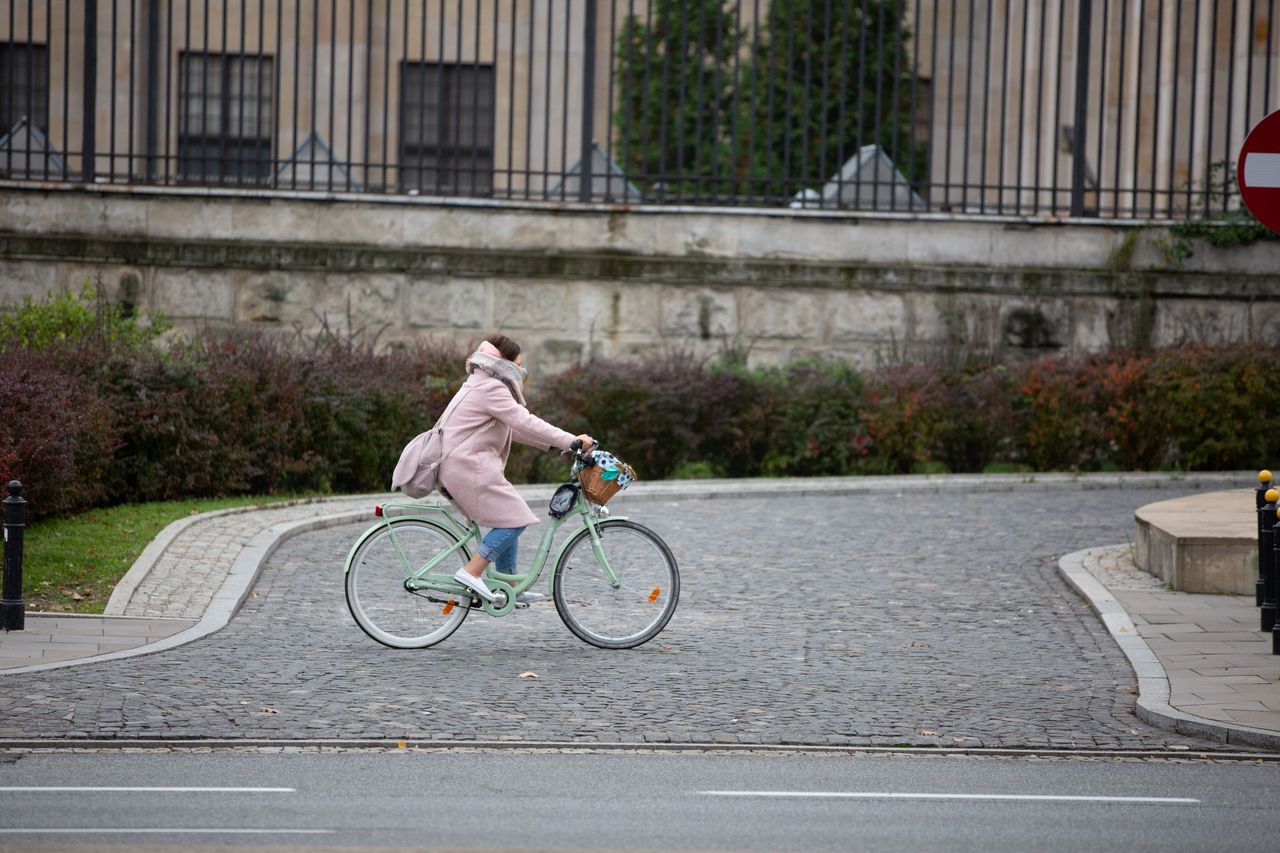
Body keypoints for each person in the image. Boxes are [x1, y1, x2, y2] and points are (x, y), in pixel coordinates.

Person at [437, 333, 593, 605]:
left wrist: (557, 445)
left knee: (507, 517)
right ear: (504, 364)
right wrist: (571, 440)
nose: (521, 373)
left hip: (460, 465)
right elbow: (525, 421)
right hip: (466, 467)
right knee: (517, 517)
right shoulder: (492, 388)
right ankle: (472, 572)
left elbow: (511, 427)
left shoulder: (479, 382)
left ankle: (507, 586)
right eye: (518, 366)